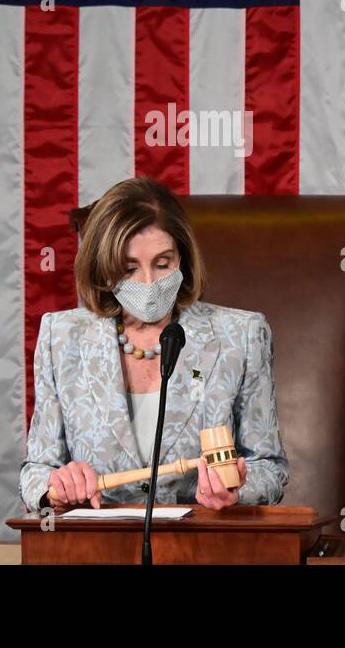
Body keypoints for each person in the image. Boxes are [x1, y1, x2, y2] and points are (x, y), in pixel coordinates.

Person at [19, 176, 290, 513]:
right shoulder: (61, 337)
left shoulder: (242, 335)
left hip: (202, 549)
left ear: (183, 260)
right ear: (104, 271)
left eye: (162, 264)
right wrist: (55, 489)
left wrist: (237, 488)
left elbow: (270, 467)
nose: (149, 283)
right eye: (129, 268)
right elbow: (36, 471)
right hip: (97, 548)